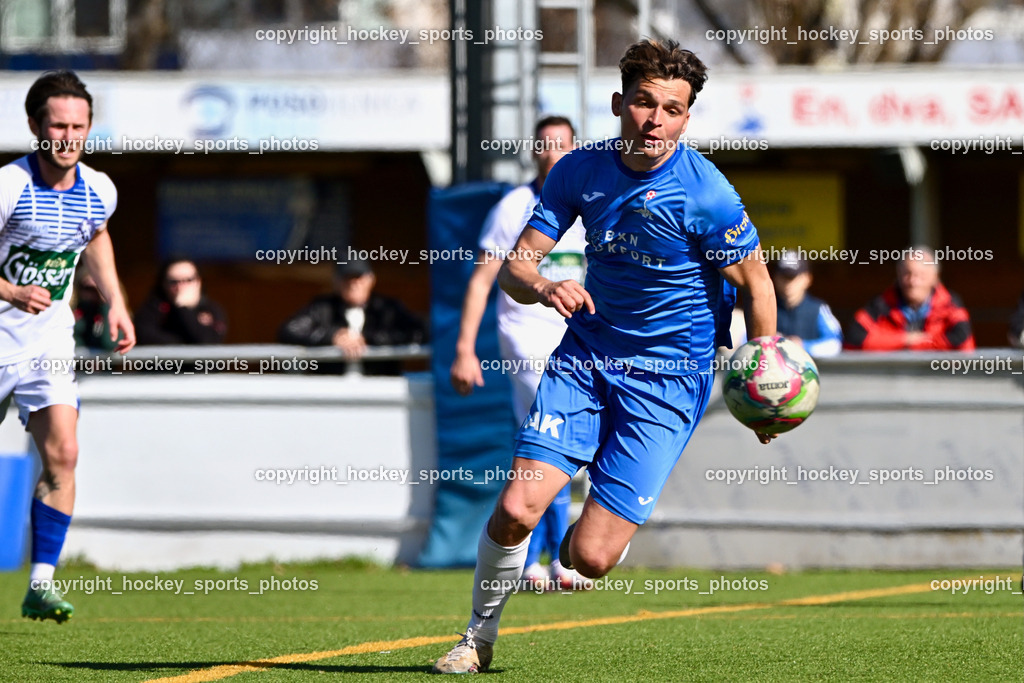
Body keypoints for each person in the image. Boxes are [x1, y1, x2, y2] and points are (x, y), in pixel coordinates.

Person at [433, 39, 777, 674]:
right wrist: (543, 287)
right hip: (586, 358)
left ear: (687, 118)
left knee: (586, 559)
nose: (655, 120)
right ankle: (476, 638)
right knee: (515, 509)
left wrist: (764, 372)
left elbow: (756, 284)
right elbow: (517, 267)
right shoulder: (579, 171)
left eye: (672, 109)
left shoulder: (708, 193)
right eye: (644, 103)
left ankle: (592, 537)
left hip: (671, 381)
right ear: (620, 103)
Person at [0, 70, 135, 622]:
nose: (68, 137)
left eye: (79, 126)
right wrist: (8, 289)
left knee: (65, 452)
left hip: (48, 341)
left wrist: (116, 301)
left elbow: (96, 233)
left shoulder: (99, 189)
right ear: (35, 126)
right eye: (58, 125)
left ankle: (41, 583)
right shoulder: (9, 186)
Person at [450, 116, 587, 591]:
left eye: (561, 145)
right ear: (533, 152)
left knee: (544, 447)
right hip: (526, 336)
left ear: (575, 150)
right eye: (544, 145)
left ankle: (540, 554)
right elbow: (483, 279)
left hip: (578, 338)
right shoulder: (514, 206)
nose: (552, 153)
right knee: (554, 435)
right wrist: (465, 349)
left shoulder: (589, 203)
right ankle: (551, 559)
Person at [278, 258, 427, 375]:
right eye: (347, 278)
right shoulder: (322, 307)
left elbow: (417, 332)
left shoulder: (387, 308)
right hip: (332, 389)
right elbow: (289, 330)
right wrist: (332, 336)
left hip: (381, 387)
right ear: (336, 281)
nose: (353, 284)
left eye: (358, 277)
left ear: (370, 279)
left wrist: (367, 339)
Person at [846, 247, 974, 351]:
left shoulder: (950, 305)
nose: (913, 282)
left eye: (920, 276)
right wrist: (905, 340)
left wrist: (917, 345)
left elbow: (961, 341)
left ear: (935, 277)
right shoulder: (880, 304)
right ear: (899, 275)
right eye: (907, 274)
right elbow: (854, 339)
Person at [134, 258, 227, 345]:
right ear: (164, 284)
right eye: (174, 281)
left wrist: (184, 309)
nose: (181, 286)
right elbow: (144, 336)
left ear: (199, 281)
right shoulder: (153, 308)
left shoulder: (212, 309)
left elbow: (208, 341)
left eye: (188, 280)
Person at [772, 252, 842, 357]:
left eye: (792, 278)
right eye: (783, 277)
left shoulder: (818, 308)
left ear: (807, 279)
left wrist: (803, 346)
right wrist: (771, 343)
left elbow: (835, 343)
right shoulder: (768, 308)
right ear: (775, 278)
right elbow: (748, 341)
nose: (788, 284)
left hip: (811, 371)